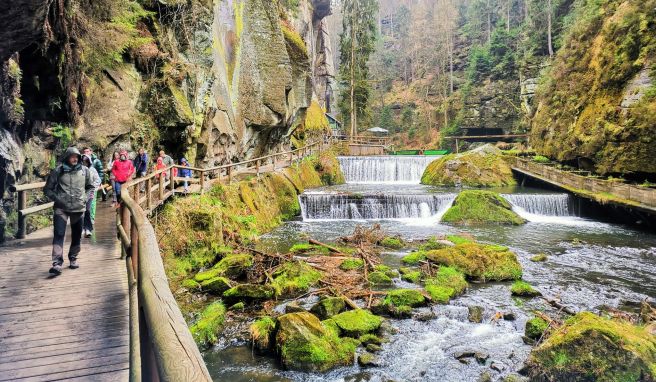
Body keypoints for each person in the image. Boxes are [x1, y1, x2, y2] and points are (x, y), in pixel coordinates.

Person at [44, 147, 94, 275]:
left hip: (78, 208)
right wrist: (57, 198)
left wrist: (84, 199)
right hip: (61, 208)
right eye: (72, 156)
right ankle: (57, 263)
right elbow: (47, 189)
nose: (75, 159)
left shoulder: (85, 171)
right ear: (67, 157)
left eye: (77, 156)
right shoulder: (58, 171)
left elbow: (90, 187)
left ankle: (73, 258)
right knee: (59, 234)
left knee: (77, 235)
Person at [82, 155, 101, 237]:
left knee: (87, 211)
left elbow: (98, 180)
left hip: (89, 193)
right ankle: (83, 228)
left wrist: (93, 187)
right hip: (80, 194)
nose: (84, 163)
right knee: (81, 212)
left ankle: (88, 229)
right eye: (83, 162)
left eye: (86, 162)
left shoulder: (92, 170)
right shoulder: (78, 170)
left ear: (88, 162)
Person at [82, 147, 104, 221]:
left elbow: (100, 171)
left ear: (91, 151)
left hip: (92, 187)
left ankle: (91, 218)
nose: (86, 152)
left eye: (87, 151)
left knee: (92, 204)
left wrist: (96, 185)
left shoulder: (95, 162)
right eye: (84, 151)